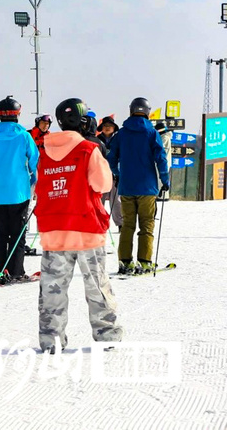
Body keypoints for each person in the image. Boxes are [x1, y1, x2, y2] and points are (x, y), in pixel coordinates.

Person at [35, 98, 123, 353]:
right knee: (96, 285)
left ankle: (51, 339)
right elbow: (103, 185)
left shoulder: (44, 151)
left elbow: (39, 185)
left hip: (54, 230)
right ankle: (106, 334)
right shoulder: (87, 150)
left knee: (52, 289)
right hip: (86, 229)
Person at [106, 97, 170, 274]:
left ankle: (125, 261)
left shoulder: (122, 134)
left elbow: (111, 158)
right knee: (146, 225)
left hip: (127, 187)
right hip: (147, 188)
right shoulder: (152, 133)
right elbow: (161, 159)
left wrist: (118, 174)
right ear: (148, 112)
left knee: (127, 225)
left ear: (131, 110)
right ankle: (145, 261)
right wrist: (165, 180)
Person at [0, 96, 39, 284]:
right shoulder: (23, 136)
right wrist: (33, 180)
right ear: (18, 114)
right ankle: (15, 270)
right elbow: (34, 160)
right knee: (18, 233)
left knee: (0, 233)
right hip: (19, 192)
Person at [97, 116, 123, 231]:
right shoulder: (96, 139)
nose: (107, 128)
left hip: (114, 174)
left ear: (114, 128)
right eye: (105, 126)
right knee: (99, 200)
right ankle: (98, 222)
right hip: (99, 174)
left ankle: (120, 223)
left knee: (116, 200)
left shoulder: (118, 140)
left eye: (110, 126)